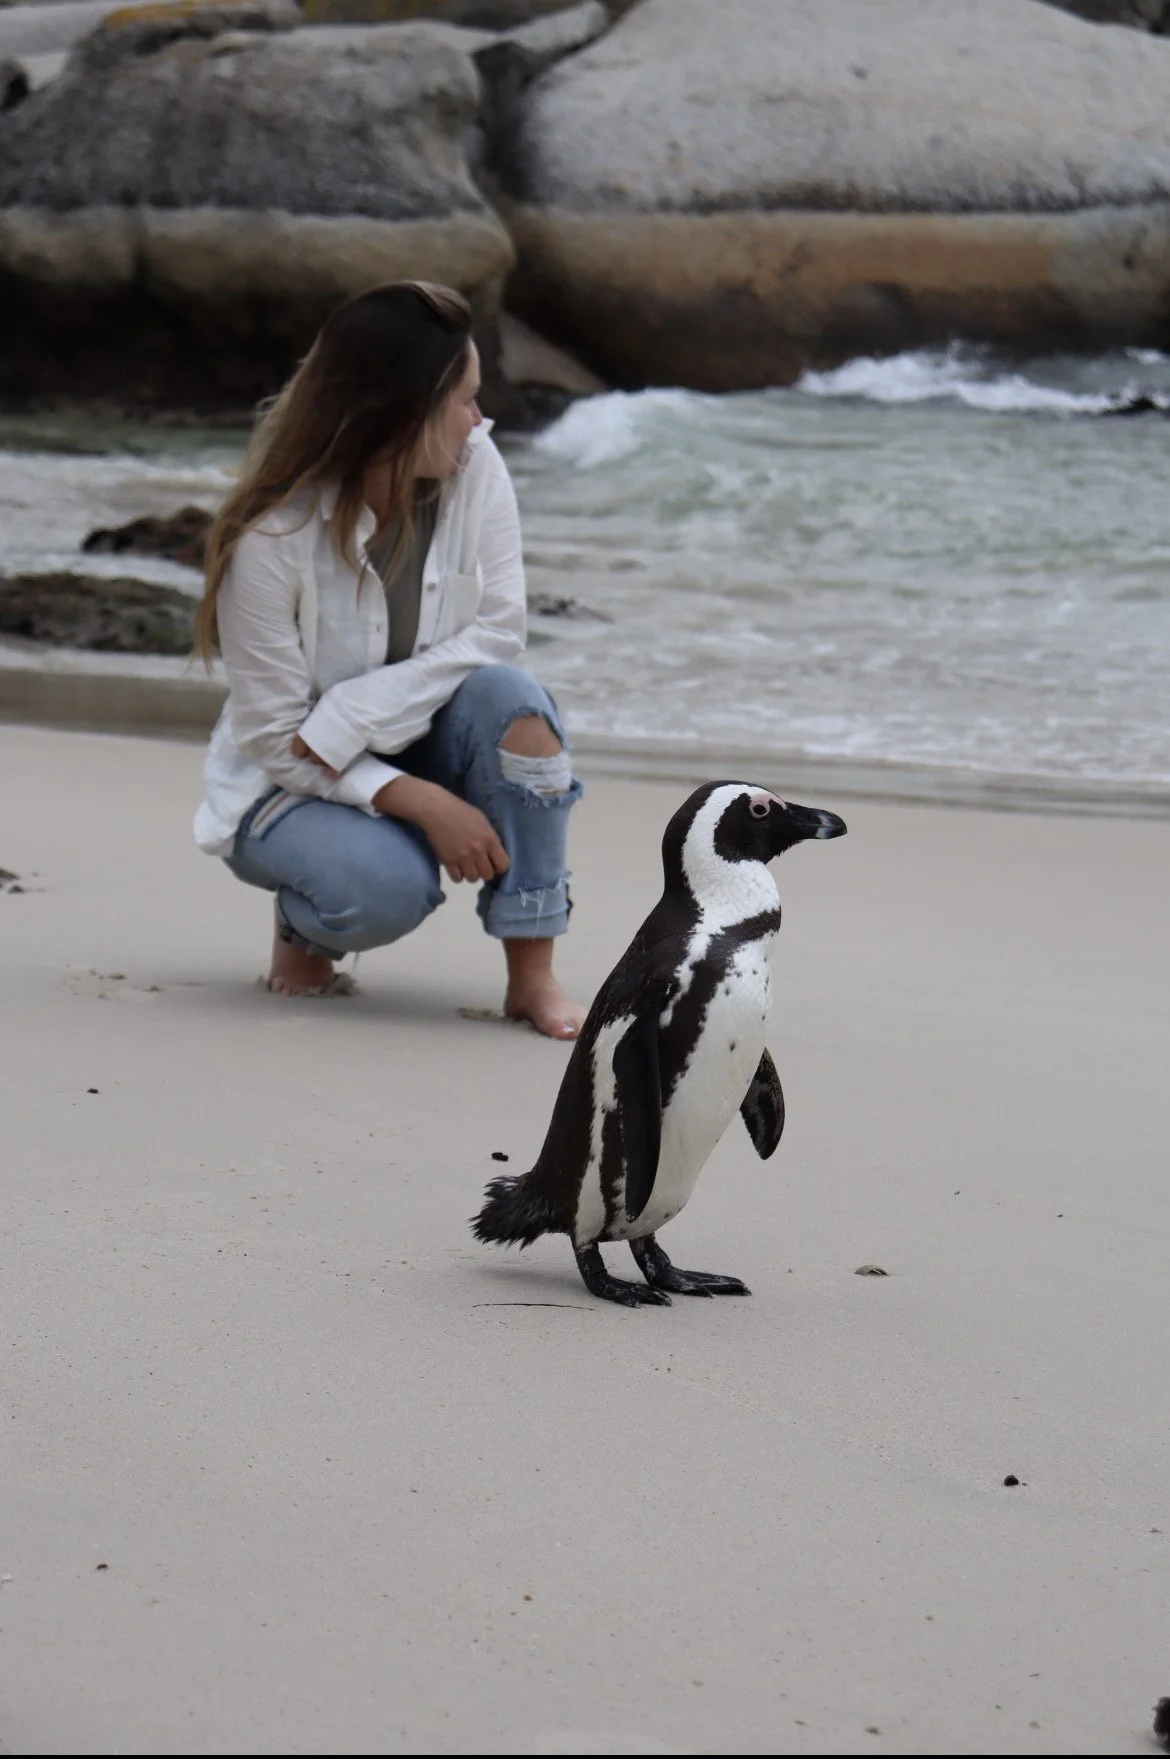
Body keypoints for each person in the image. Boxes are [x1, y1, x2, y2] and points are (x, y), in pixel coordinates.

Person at [192, 281, 586, 1039]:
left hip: (402, 736)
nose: (481, 419)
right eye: (464, 400)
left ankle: (532, 978)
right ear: (403, 413)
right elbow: (279, 740)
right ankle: (306, 923)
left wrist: (349, 715)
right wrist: (421, 801)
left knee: (518, 708)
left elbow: (501, 631)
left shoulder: (478, 466)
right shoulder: (271, 539)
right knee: (381, 892)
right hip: (287, 783)